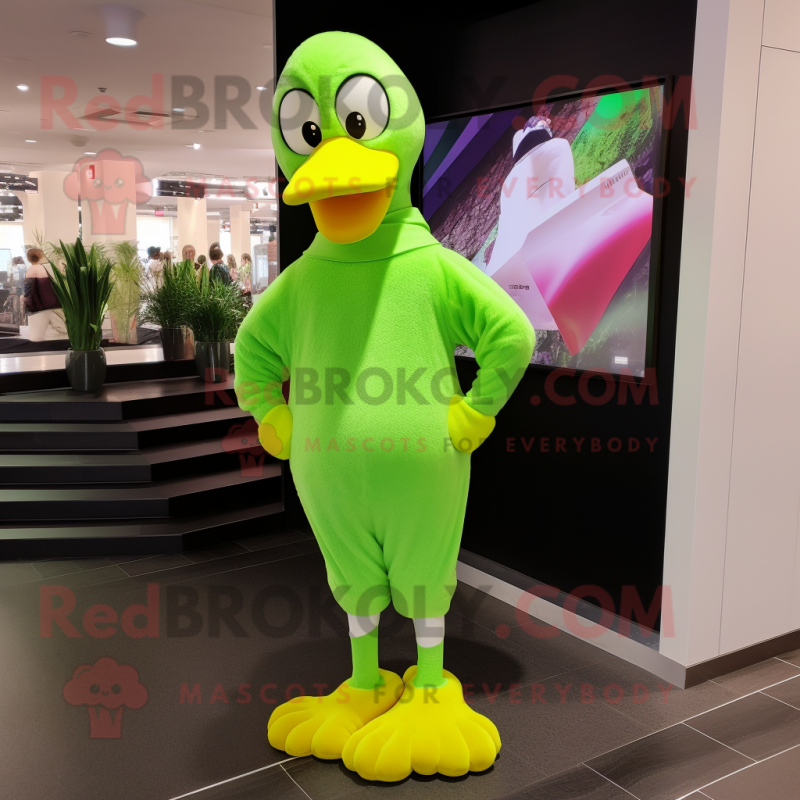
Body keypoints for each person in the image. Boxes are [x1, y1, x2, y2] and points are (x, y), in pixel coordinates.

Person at [23, 248, 62, 342]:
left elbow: (28, 286)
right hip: (49, 300)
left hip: (38, 302)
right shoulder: (42, 268)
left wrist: (25, 297)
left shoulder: (31, 269)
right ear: (40, 256)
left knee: (37, 327)